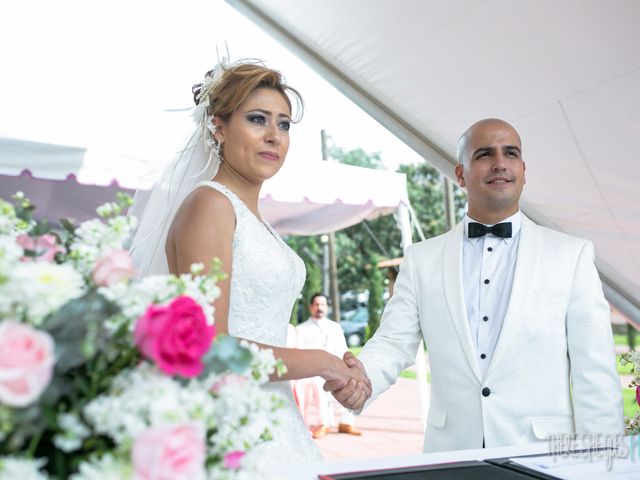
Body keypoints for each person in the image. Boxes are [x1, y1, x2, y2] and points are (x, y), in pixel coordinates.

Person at [327, 118, 624, 452]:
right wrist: (362, 379)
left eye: (510, 153)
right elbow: (394, 342)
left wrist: (604, 464)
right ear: (460, 174)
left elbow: (594, 372)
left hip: (542, 454)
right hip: (451, 453)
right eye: (484, 154)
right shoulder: (422, 259)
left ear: (523, 170)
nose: (500, 163)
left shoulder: (572, 256)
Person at [128, 59, 370, 466]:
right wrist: (322, 361)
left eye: (285, 124)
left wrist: (342, 370)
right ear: (218, 128)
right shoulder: (210, 205)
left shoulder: (252, 218)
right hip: (229, 425)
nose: (274, 136)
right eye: (258, 119)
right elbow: (209, 348)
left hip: (275, 420)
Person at [295, 293, 362, 438]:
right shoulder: (301, 329)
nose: (320, 308)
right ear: (311, 307)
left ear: (327, 307)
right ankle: (323, 424)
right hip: (314, 372)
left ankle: (346, 423)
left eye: (323, 305)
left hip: (336, 368)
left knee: (350, 383)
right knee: (318, 384)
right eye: (317, 304)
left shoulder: (335, 327)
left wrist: (348, 368)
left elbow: (343, 350)